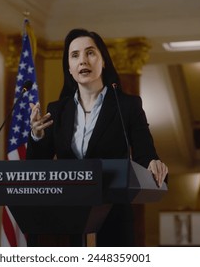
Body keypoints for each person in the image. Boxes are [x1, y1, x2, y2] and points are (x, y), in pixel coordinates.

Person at [26, 28, 168, 246]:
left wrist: (153, 164)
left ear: (103, 61)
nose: (83, 60)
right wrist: (36, 136)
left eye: (90, 53)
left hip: (113, 220)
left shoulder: (127, 106)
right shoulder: (57, 110)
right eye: (75, 55)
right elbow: (37, 167)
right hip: (65, 220)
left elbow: (145, 154)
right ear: (69, 68)